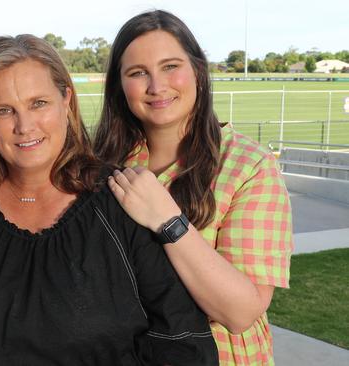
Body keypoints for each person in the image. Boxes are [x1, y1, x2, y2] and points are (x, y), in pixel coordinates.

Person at [0, 34, 218, 365]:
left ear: (66, 99)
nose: (24, 125)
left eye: (39, 103)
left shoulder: (124, 202)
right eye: (4, 110)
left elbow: (182, 341)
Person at [93, 10, 293, 366]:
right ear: (119, 86)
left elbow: (240, 313)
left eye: (170, 66)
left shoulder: (249, 165)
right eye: (138, 73)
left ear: (198, 70)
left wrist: (168, 219)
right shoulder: (103, 165)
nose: (157, 86)